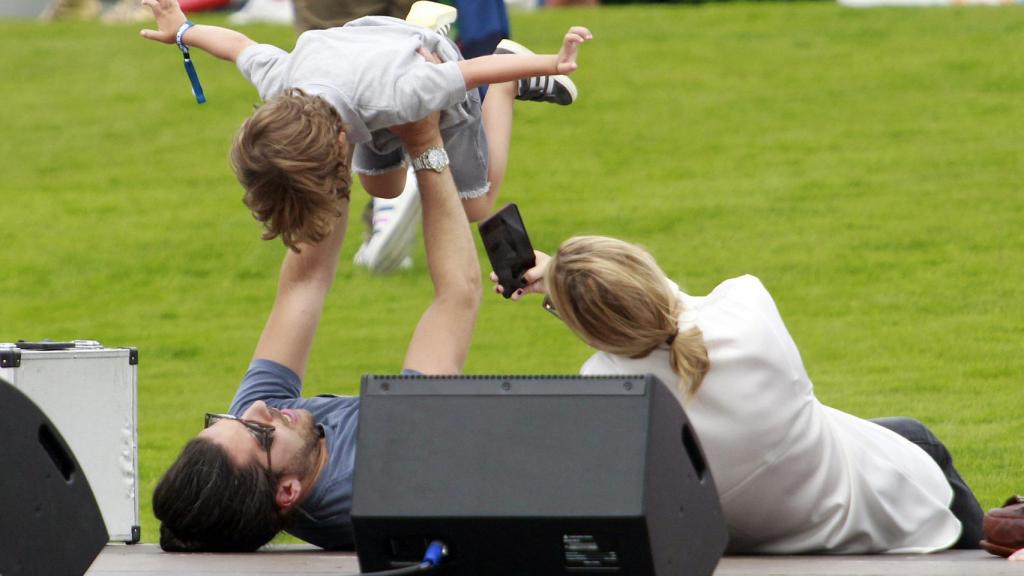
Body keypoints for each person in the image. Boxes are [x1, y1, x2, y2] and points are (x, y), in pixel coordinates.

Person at [492, 235, 985, 554]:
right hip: (876, 510)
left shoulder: (608, 392)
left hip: (756, 539)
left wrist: (564, 289)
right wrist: (572, 277)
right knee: (914, 437)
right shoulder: (748, 307)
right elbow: (668, 310)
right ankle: (1000, 543)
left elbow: (636, 332)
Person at [151, 111, 481, 551]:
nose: (259, 408)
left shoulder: (261, 442)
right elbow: (456, 296)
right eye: (257, 430)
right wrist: (424, 144)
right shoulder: (378, 476)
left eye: (226, 418)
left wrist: (334, 146)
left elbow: (302, 285)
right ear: (286, 492)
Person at [140, 0, 592, 251]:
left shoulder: (405, 91)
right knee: (384, 190)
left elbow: (470, 72)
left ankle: (514, 78)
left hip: (415, 60)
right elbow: (238, 44)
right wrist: (183, 30)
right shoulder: (284, 80)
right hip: (356, 67)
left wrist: (555, 61)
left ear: (341, 142)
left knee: (476, 205)